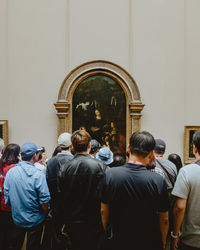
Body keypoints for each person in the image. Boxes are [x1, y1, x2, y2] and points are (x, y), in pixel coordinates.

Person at [101, 131, 169, 250]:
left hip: (119, 240)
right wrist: (163, 243)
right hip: (148, 242)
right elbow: (164, 218)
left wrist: (103, 236)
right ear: (151, 153)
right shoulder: (158, 180)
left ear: (128, 148)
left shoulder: (111, 175)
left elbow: (103, 210)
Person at [59, 129, 106, 250]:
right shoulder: (101, 166)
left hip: (73, 222)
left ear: (73, 146)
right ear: (89, 146)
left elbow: (62, 198)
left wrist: (65, 223)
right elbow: (105, 197)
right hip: (95, 222)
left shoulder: (65, 168)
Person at [4, 142, 50, 250]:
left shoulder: (11, 172)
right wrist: (46, 213)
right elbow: (44, 200)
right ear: (34, 156)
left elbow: (7, 195)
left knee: (15, 246)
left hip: (17, 218)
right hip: (35, 220)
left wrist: (16, 208)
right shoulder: (38, 174)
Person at [171, 130, 200, 250]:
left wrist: (175, 234)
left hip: (191, 240)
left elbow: (179, 207)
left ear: (194, 149)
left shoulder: (186, 172)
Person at [46, 132, 73, 249]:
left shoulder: (51, 161)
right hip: (70, 204)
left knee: (56, 235)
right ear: (71, 145)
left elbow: (47, 181)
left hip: (55, 203)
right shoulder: (73, 160)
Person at [0, 143, 20, 250]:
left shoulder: (1, 166)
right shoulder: (15, 169)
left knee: (3, 235)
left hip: (1, 205)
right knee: (12, 238)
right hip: (12, 207)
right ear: (17, 155)